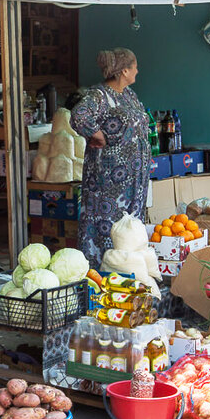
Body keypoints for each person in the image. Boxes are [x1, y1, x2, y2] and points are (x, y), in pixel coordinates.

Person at [70, 48, 150, 266]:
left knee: (129, 230)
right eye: (135, 67)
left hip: (133, 183)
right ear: (124, 70)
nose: (137, 70)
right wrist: (98, 136)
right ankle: (102, 272)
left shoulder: (128, 94)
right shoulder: (99, 96)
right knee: (108, 226)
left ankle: (126, 272)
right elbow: (78, 116)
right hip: (109, 182)